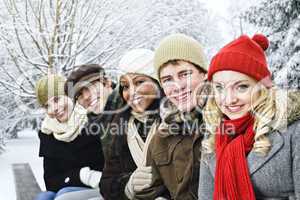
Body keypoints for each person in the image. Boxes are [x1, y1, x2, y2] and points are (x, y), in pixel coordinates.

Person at [198, 34, 300, 199]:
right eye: (219, 88)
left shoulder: (292, 131)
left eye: (242, 87)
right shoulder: (214, 135)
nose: (229, 99)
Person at [136, 34, 210, 199]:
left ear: (203, 73)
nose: (177, 86)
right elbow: (151, 191)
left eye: (185, 74)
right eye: (168, 79)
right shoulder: (161, 138)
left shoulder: (227, 120)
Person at [99, 48, 169, 200]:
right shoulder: (119, 127)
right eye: (125, 86)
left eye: (139, 82)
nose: (131, 92)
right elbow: (106, 182)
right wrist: (128, 186)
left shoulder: (174, 122)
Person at [34, 74, 104, 200]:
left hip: (101, 188)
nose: (54, 109)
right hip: (72, 186)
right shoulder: (48, 133)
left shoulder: (93, 121)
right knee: (43, 197)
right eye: (47, 106)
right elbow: (50, 182)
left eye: (56, 100)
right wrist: (82, 175)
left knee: (64, 196)